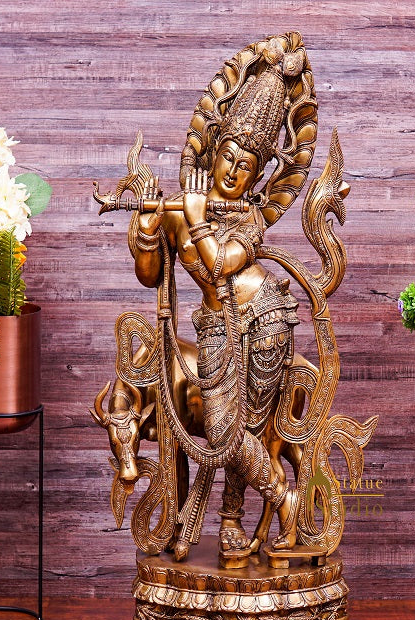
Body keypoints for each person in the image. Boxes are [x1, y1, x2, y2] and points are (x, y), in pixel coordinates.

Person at [130, 64, 302, 558]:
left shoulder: (250, 217)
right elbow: (149, 275)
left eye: (245, 166)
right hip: (215, 325)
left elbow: (222, 265)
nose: (231, 171)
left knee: (245, 429)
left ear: (256, 176)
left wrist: (199, 221)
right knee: (222, 427)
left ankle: (231, 519)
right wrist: (148, 229)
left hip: (265, 317)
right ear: (213, 152)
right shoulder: (181, 208)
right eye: (227, 156)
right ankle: (284, 497)